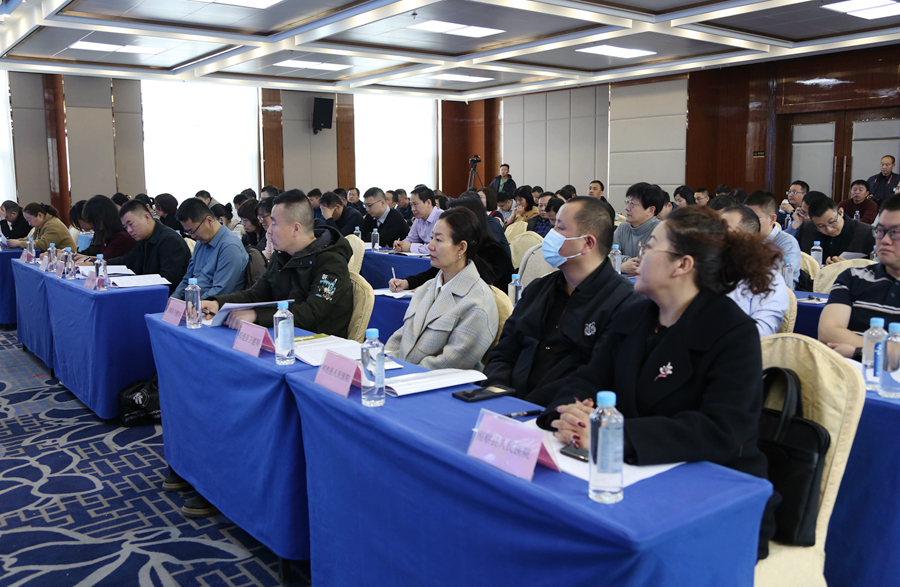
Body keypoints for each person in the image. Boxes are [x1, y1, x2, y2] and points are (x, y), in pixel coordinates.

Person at [541, 205, 779, 560]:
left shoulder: (732, 332)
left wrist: (612, 436)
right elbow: (588, 378)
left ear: (682, 265)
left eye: (650, 246)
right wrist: (568, 415)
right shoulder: (635, 315)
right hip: (629, 476)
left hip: (714, 495)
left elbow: (720, 430)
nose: (638, 256)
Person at [482, 197, 640, 406]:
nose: (551, 234)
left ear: (588, 243)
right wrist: (497, 391)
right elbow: (504, 351)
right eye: (553, 225)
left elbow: (596, 377)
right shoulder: (538, 290)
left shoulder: (624, 304)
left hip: (561, 412)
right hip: (507, 402)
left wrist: (529, 406)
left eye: (560, 228)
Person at [202, 189, 354, 335]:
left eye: (274, 223)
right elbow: (257, 294)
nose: (269, 231)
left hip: (318, 342)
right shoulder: (282, 256)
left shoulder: (331, 262)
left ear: (296, 229)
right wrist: (218, 303)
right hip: (284, 334)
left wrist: (256, 315)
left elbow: (311, 313)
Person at [385, 207, 499, 370]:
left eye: (438, 240)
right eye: (431, 238)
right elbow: (400, 338)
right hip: (403, 375)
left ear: (461, 248)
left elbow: (451, 362)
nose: (430, 246)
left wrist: (402, 373)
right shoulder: (427, 287)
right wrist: (383, 363)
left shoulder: (477, 303)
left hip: (431, 381)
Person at [821, 194, 900, 358]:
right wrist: (886, 353)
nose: (885, 240)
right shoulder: (852, 277)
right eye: (880, 231)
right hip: (848, 372)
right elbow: (827, 332)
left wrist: (859, 352)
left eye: (895, 232)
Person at [390, 195, 513, 293]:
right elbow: (434, 273)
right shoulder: (456, 249)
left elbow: (473, 286)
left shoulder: (493, 252)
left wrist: (430, 290)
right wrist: (407, 283)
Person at [720, 205, 789, 336]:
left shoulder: (768, 280)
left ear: (748, 240)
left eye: (725, 232)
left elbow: (761, 332)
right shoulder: (705, 272)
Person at [108, 200, 191, 295]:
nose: (129, 230)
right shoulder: (143, 238)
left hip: (166, 296)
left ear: (147, 217)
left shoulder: (170, 240)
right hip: (147, 291)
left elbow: (168, 280)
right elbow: (128, 260)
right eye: (125, 227)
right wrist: (101, 264)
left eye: (130, 224)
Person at [172, 198, 248, 300]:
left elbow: (220, 292)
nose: (193, 236)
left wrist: (193, 305)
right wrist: (173, 300)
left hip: (214, 305)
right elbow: (187, 279)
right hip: (195, 302)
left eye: (193, 231)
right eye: (188, 232)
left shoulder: (230, 247)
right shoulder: (201, 242)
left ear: (209, 221)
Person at [795, 195, 875, 264]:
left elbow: (875, 266)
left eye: (832, 222)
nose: (829, 229)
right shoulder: (806, 229)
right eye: (821, 226)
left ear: (841, 212)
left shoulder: (866, 232)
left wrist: (850, 265)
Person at [746, 190, 801, 289]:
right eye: (745, 219)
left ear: (772, 219)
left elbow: (780, 281)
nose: (749, 223)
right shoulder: (745, 239)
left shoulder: (787, 243)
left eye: (754, 219)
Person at [614, 182, 664, 275]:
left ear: (650, 210)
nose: (626, 208)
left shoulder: (662, 231)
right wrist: (622, 266)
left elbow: (653, 265)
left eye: (632, 204)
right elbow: (607, 255)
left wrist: (619, 261)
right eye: (628, 202)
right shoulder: (623, 227)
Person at [76, 195, 136, 260]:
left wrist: (86, 259)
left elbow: (106, 260)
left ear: (101, 218)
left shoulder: (122, 237)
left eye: (92, 220)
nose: (93, 225)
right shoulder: (110, 236)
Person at [8, 203, 74, 251]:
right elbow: (31, 239)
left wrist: (19, 243)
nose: (29, 224)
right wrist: (16, 241)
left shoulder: (53, 225)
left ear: (40, 215)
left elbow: (44, 245)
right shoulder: (42, 224)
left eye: (29, 220)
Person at [395, 186, 441, 253]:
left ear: (428, 203)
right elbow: (411, 239)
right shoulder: (419, 219)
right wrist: (400, 244)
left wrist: (410, 247)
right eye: (411, 205)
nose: (413, 209)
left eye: (415, 204)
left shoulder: (443, 218)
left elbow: (438, 247)